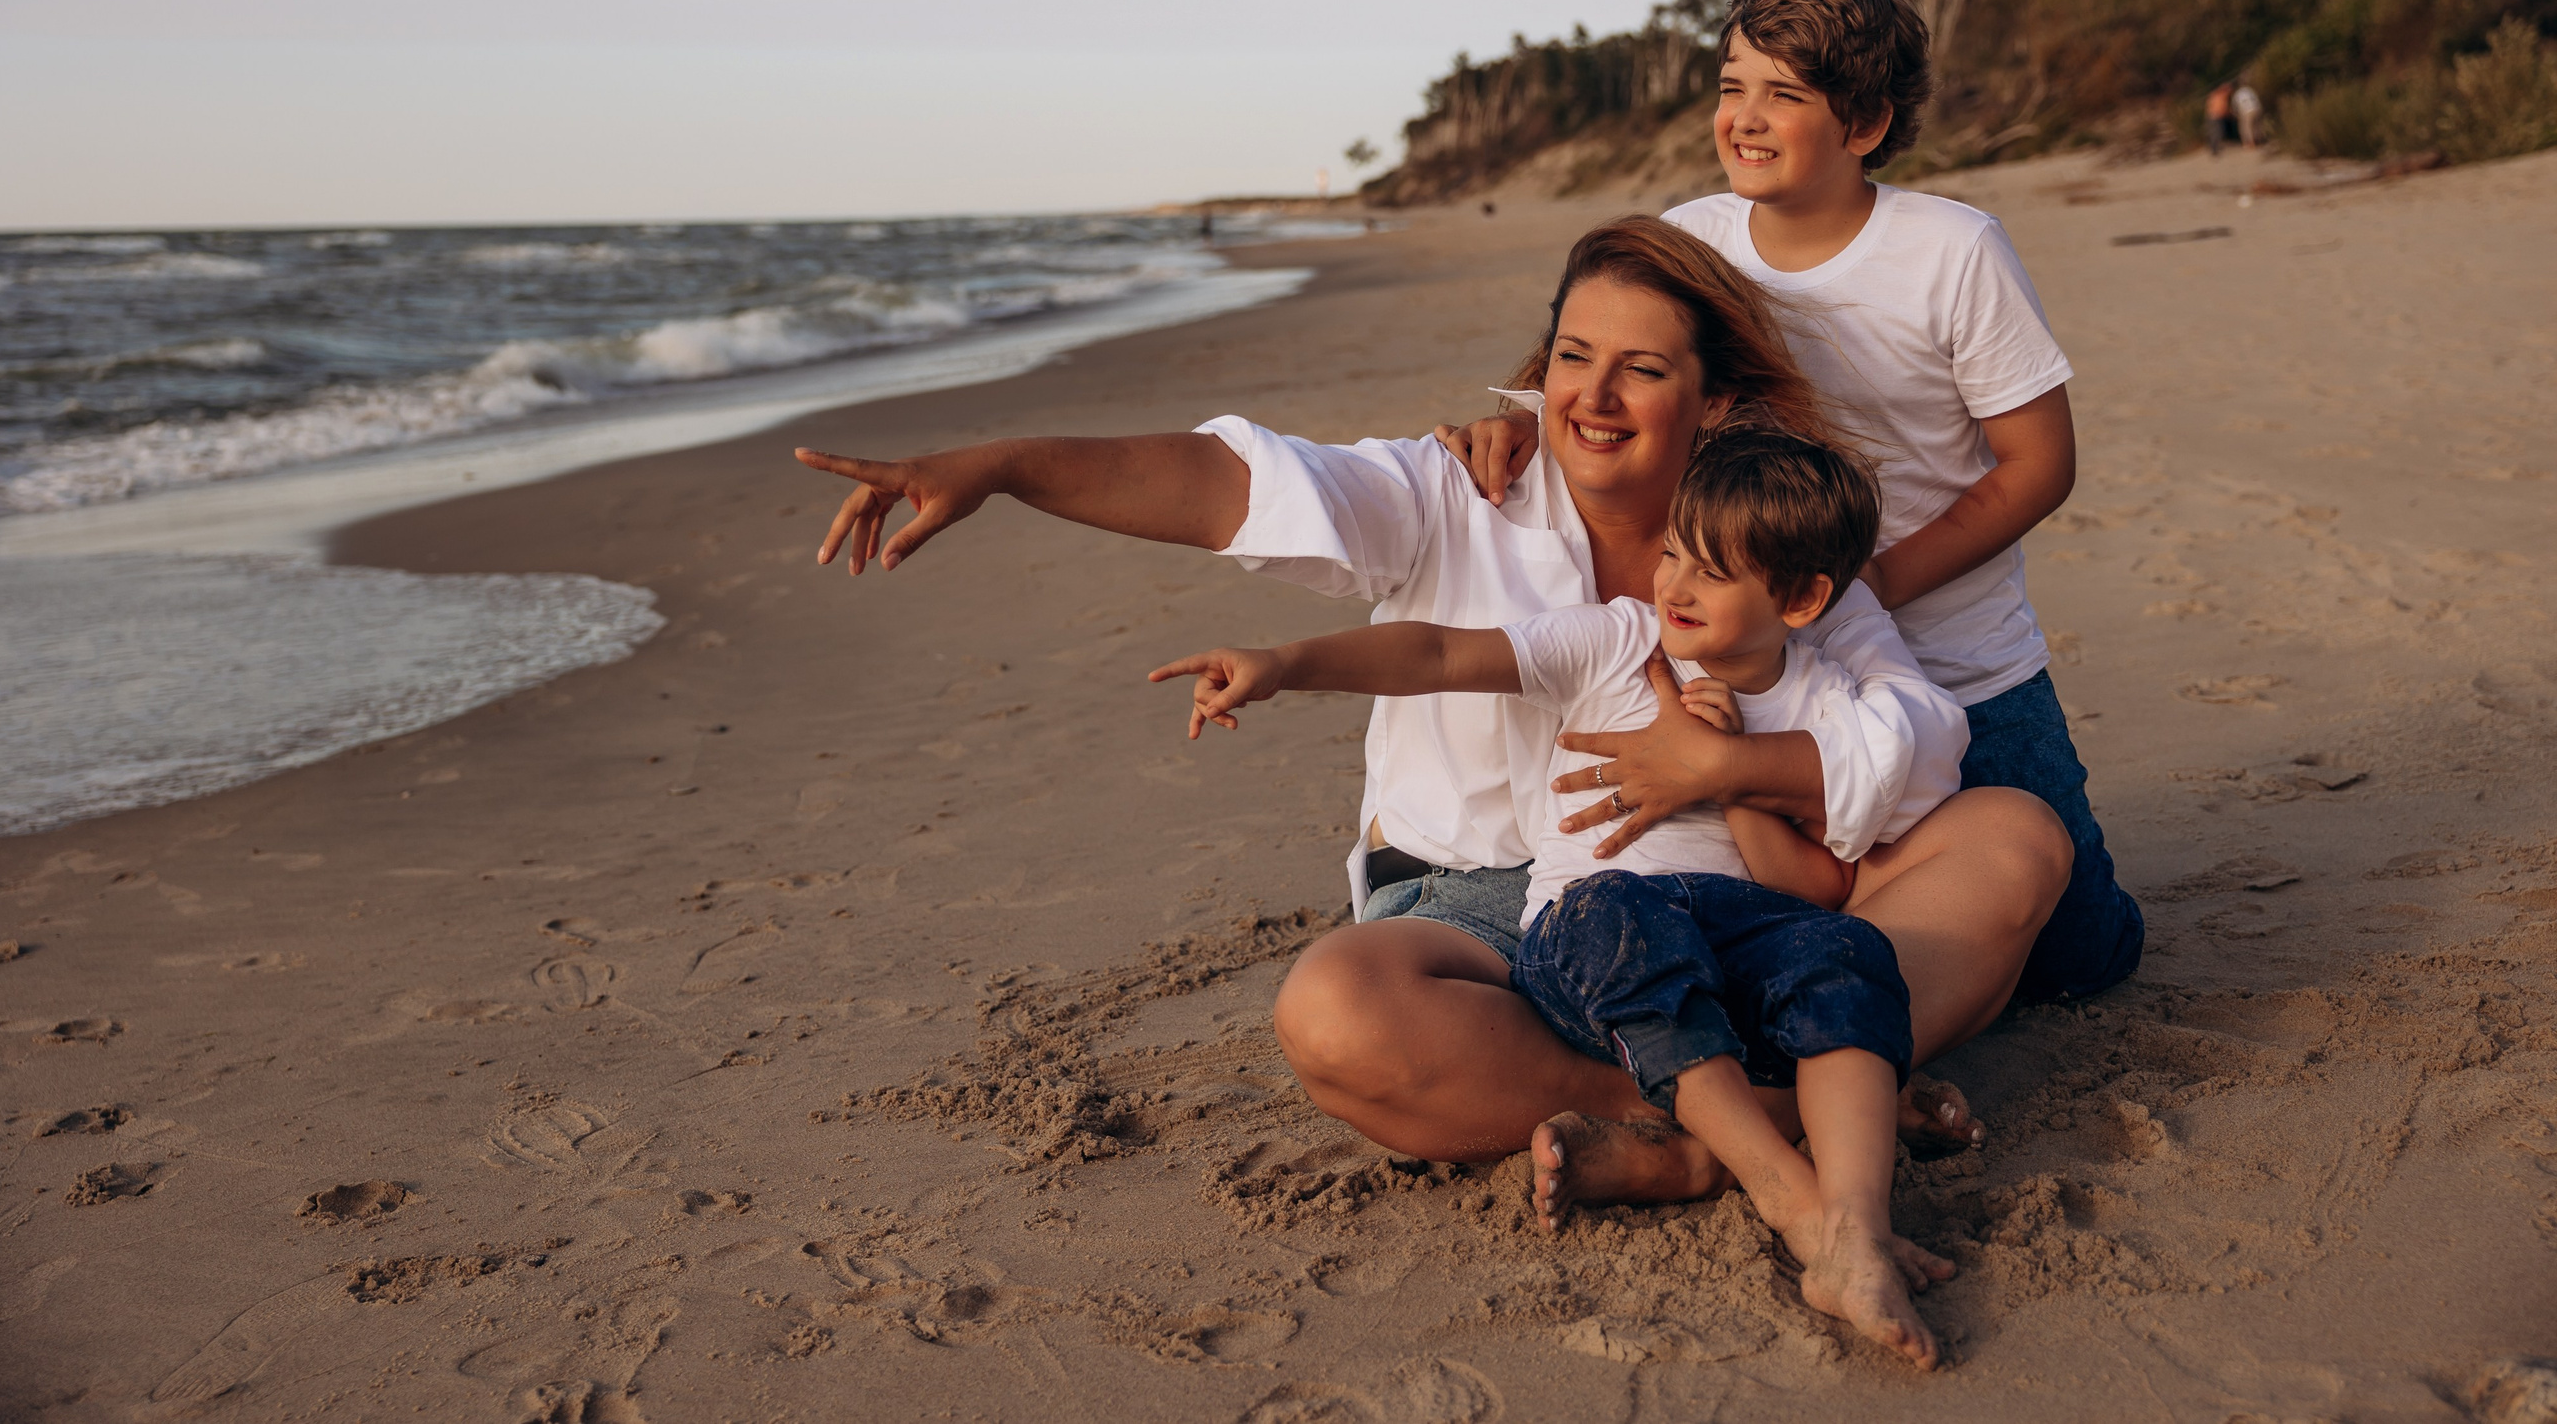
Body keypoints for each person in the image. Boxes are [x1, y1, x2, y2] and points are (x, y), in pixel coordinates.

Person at [794, 212, 2074, 1207]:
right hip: (1482, 914)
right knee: (1337, 1011)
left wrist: (1726, 770)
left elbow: (1912, 732)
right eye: (1572, 358)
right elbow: (1230, 483)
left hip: (1736, 894)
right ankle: (1777, 1121)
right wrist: (1006, 466)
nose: (1592, 397)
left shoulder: (1772, 557)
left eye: (1641, 369)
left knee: (2016, 841)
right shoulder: (1451, 487)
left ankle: (1697, 1132)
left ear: (1716, 400)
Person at [1151, 427, 1971, 1366]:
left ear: (1801, 598)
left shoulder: (1826, 703)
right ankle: (1787, 1193)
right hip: (1593, 932)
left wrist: (1730, 777)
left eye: (1714, 572)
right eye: (1673, 552)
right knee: (1622, 915)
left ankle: (1857, 1231)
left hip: (1736, 940)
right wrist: (1287, 664)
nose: (1675, 585)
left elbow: (1819, 888)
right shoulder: (1618, 643)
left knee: (1848, 953)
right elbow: (1437, 657)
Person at [1446, 0, 2143, 1017]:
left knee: (2077, 959)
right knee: (1782, 899)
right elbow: (1597, 366)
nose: (1745, 119)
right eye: (1731, 85)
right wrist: (1513, 416)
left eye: (1785, 94)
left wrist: (1860, 589)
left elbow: (2039, 464)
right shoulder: (1696, 238)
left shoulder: (1949, 251)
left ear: (1863, 123)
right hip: (1767, 669)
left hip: (1959, 665)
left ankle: (1864, 1005)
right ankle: (1825, 1027)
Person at [2205, 80, 2236, 155]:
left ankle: (2215, 147)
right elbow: (2221, 108)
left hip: (2216, 116)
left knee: (2218, 132)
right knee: (2216, 133)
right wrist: (2230, 114)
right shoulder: (2219, 96)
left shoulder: (2217, 95)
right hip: (2215, 116)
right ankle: (2214, 149)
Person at [2233, 80, 2265, 150]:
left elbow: (2236, 106)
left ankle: (2251, 143)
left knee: (2246, 127)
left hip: (2246, 110)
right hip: (2256, 108)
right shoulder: (2250, 90)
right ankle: (2259, 141)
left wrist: (2236, 114)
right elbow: (2256, 99)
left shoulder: (2237, 94)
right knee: (2257, 126)